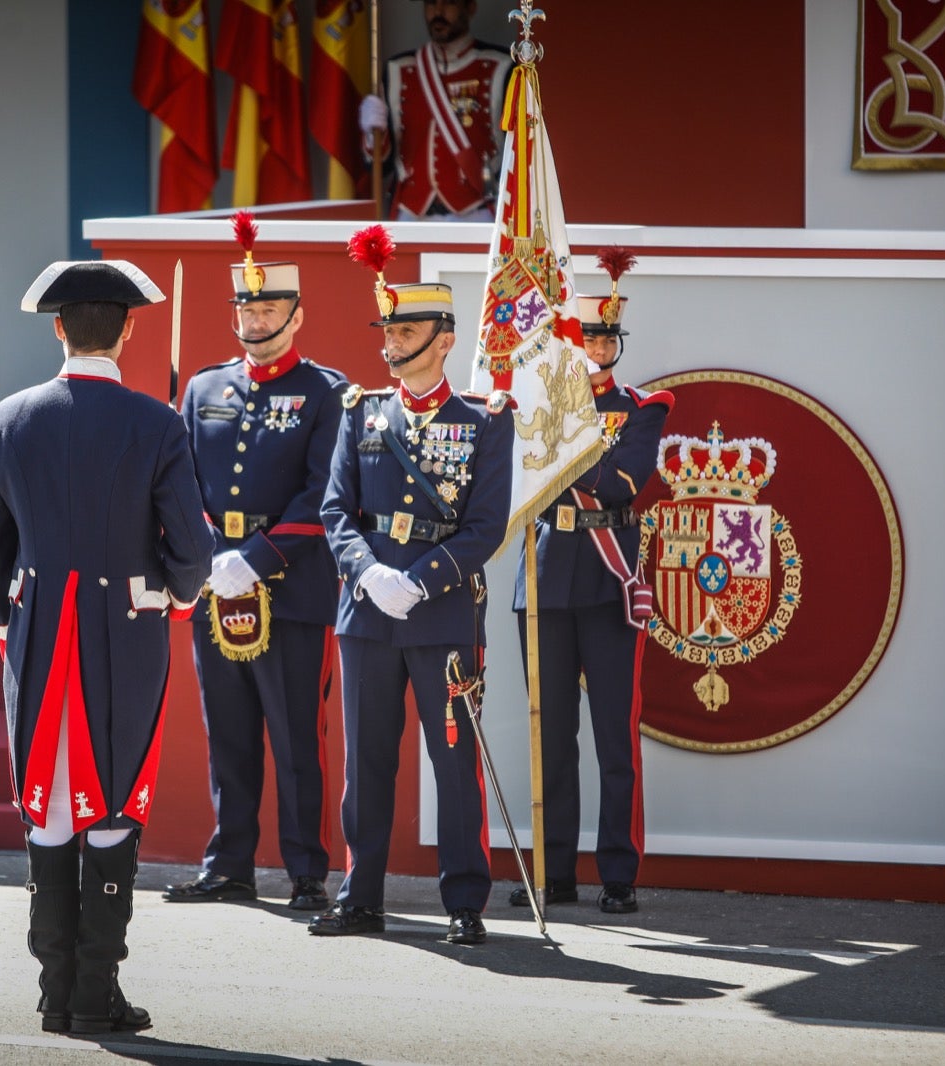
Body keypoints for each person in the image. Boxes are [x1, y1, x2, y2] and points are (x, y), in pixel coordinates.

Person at [0, 260, 214, 1036]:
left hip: (40, 634)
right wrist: (173, 593)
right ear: (129, 328)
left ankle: (53, 991)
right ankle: (94, 993)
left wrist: (9, 618)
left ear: (57, 329)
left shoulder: (7, 419)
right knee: (112, 805)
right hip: (125, 637)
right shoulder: (157, 423)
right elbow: (193, 554)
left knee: (48, 803)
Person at [310, 225, 512, 945]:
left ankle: (464, 900)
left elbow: (487, 527)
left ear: (445, 338)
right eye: (389, 329)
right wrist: (369, 574)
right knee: (364, 763)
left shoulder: (486, 421)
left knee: (453, 759)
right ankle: (359, 896)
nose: (392, 342)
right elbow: (335, 509)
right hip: (367, 611)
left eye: (409, 329)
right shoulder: (361, 411)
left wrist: (419, 582)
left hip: (443, 609)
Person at [162, 214, 348, 912]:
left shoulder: (324, 391)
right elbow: (180, 485)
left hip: (291, 588)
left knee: (298, 735)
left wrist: (260, 555)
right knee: (229, 733)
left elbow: (324, 490)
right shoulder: (203, 388)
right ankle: (229, 862)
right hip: (217, 587)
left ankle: (306, 871)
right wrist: (210, 554)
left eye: (269, 305)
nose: (256, 315)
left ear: (296, 315)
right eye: (247, 304)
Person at [508, 251, 672, 915]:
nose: (599, 348)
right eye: (588, 338)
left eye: (607, 339)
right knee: (550, 735)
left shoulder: (643, 407)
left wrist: (558, 437)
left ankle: (618, 874)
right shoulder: (536, 408)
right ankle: (552, 873)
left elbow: (622, 482)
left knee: (613, 734)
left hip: (609, 577)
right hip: (544, 579)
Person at [358, 0, 511, 221]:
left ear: (470, 7)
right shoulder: (398, 69)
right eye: (430, 3)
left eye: (448, 2)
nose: (437, 12)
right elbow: (381, 165)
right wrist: (373, 134)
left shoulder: (500, 66)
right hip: (411, 214)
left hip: (477, 213)